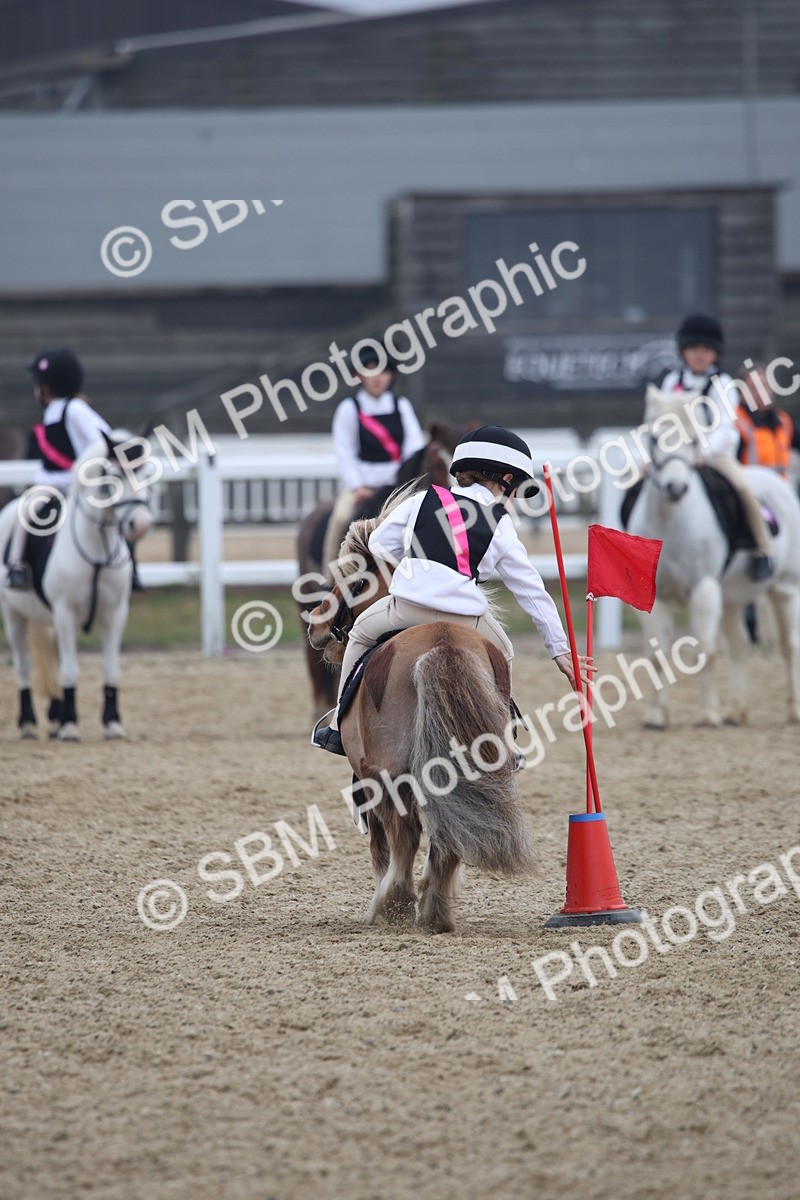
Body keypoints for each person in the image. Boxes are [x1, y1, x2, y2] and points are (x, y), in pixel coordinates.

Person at [313, 425, 589, 756]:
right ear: (504, 480)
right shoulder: (500, 524)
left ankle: (337, 728)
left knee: (359, 635)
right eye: (515, 490)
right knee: (504, 654)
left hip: (406, 607)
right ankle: (503, 737)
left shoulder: (422, 499)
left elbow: (378, 543)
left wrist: (414, 565)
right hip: (466, 619)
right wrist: (560, 651)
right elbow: (531, 591)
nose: (514, 499)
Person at [4, 349, 144, 591]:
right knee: (26, 509)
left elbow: (101, 440)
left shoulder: (75, 410)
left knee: (114, 513)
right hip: (53, 482)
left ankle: (129, 567)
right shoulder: (55, 412)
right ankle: (18, 566)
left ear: (46, 387)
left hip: (71, 482)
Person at [660, 314, 775, 580]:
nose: (700, 355)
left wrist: (704, 452)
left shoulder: (722, 384)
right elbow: (662, 424)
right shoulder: (671, 383)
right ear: (683, 352)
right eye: (694, 349)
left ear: (715, 353)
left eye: (706, 350)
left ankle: (762, 549)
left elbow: (725, 426)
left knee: (743, 488)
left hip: (715, 456)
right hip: (677, 455)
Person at [321, 344, 426, 578]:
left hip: (398, 489)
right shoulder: (349, 409)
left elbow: (415, 448)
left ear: (391, 376)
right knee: (339, 519)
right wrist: (357, 486)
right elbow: (344, 452)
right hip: (363, 488)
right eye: (371, 370)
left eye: (384, 371)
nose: (378, 378)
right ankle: (329, 579)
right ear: (359, 375)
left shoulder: (402, 406)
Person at [736, 361, 796, 476]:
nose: (760, 392)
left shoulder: (783, 419)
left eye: (764, 386)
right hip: (751, 488)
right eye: (753, 388)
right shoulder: (734, 422)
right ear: (741, 392)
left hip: (781, 488)